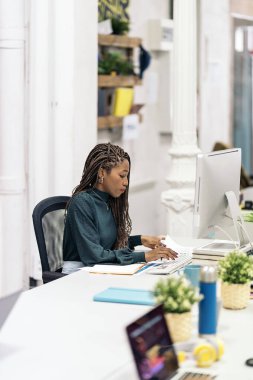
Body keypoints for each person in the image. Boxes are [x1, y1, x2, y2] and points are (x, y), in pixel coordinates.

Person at [62, 143, 177, 274]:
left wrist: (140, 240)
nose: (126, 182)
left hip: (99, 270)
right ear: (101, 173)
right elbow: (94, 256)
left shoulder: (109, 200)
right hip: (77, 275)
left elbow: (107, 246)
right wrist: (145, 256)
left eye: (127, 176)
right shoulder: (82, 203)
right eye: (122, 176)